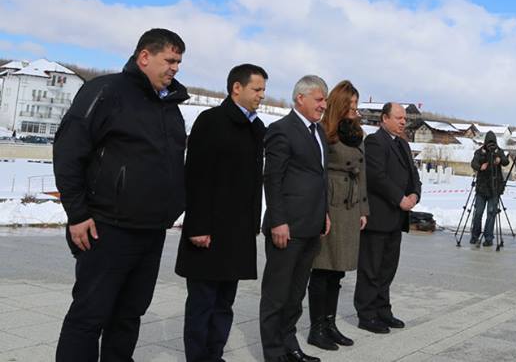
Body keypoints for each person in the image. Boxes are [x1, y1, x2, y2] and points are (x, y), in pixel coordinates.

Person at [53, 28, 188, 362]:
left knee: (129, 316)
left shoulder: (169, 106)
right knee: (89, 315)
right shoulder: (106, 91)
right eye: (169, 60)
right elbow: (69, 151)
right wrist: (78, 213)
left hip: (150, 230)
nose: (175, 68)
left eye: (179, 62)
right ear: (144, 56)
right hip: (106, 227)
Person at [175, 63, 268, 362]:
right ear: (236, 88)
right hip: (209, 232)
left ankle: (214, 356)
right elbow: (196, 176)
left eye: (263, 90)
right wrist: (198, 226)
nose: (261, 96)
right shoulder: (212, 121)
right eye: (257, 89)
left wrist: (254, 222)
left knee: (225, 303)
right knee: (203, 302)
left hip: (238, 233)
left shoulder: (257, 127)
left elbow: (255, 180)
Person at [259, 75, 331, 362]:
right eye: (319, 99)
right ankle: (274, 353)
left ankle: (290, 345)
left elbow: (320, 177)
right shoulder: (281, 130)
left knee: (295, 294)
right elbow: (272, 179)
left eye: (324, 100)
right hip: (286, 227)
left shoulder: (319, 132)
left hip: (312, 226)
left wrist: (324, 212)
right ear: (300, 98)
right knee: (277, 294)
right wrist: (278, 220)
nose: (323, 105)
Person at [307, 80, 369, 351]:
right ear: (339, 105)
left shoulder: (357, 133)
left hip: (350, 204)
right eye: (350, 105)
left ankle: (330, 324)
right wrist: (320, 210)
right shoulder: (323, 130)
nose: (354, 110)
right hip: (331, 202)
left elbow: (362, 171)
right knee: (322, 269)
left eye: (356, 105)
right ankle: (316, 328)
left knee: (338, 271)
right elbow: (315, 173)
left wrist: (363, 208)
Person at [354, 102, 421, 334]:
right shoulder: (375, 142)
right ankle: (367, 313)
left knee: (387, 268)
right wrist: (399, 198)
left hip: (396, 219)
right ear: (384, 118)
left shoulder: (402, 143)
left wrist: (414, 194)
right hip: (379, 216)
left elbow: (413, 174)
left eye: (405, 118)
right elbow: (377, 177)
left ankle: (383, 309)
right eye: (399, 117)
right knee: (371, 268)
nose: (403, 121)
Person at [469, 131, 510, 247]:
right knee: (478, 213)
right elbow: (473, 163)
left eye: (492, 143)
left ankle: (488, 237)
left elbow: (506, 162)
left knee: (491, 213)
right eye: (488, 143)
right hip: (482, 188)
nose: (490, 145)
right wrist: (480, 167)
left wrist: (500, 160)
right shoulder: (479, 152)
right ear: (485, 142)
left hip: (495, 188)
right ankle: (475, 235)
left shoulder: (499, 151)